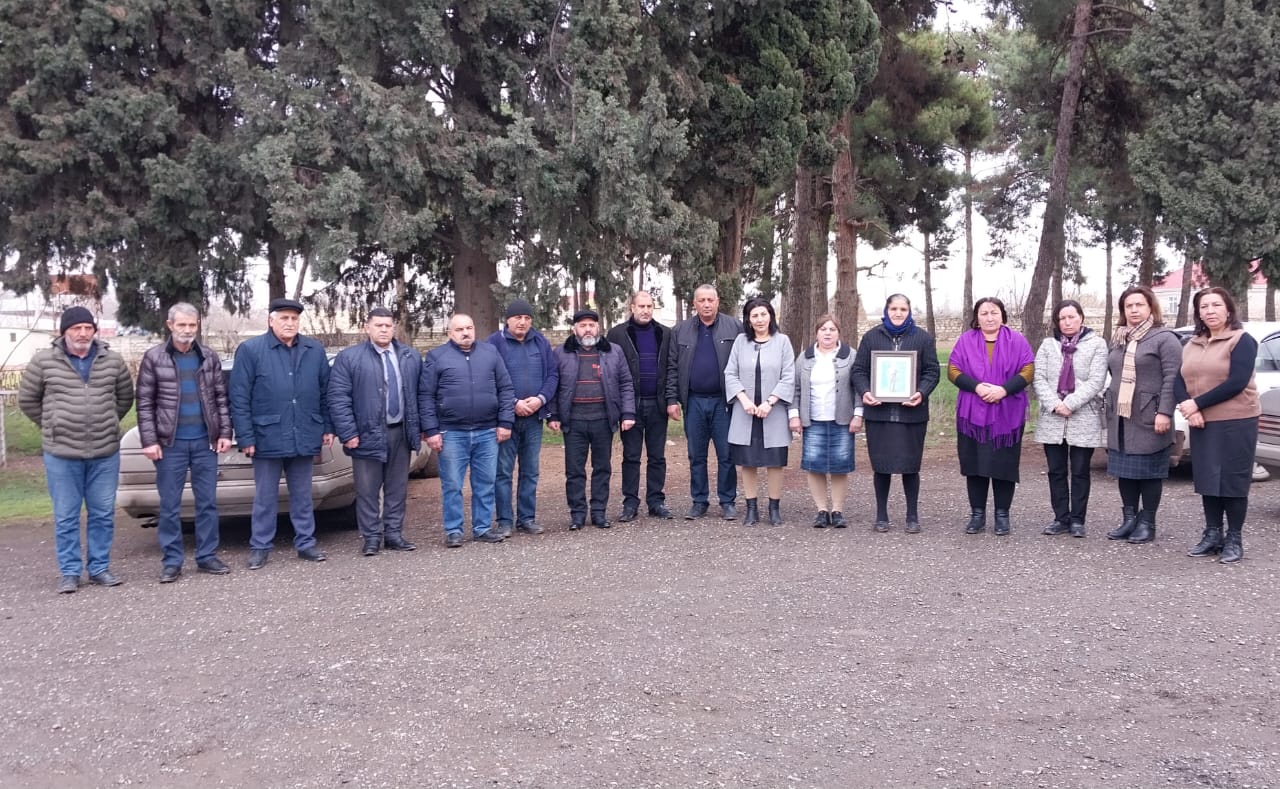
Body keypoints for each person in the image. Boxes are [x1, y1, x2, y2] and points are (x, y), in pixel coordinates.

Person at [19, 306, 135, 593]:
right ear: (64, 332)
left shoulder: (113, 361)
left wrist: (108, 421)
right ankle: (70, 572)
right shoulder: (44, 361)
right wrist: (53, 424)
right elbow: (28, 400)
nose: (82, 333)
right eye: (76, 328)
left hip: (104, 452)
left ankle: (99, 568)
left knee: (102, 514)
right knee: (66, 516)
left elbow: (125, 398)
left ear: (94, 331)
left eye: (87, 328)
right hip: (62, 454)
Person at [229, 297, 335, 569]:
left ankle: (306, 543)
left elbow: (326, 392)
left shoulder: (314, 350)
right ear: (271, 321)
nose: (290, 323)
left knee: (303, 495)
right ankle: (260, 546)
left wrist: (327, 426)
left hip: (304, 432)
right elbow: (239, 398)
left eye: (294, 318)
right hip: (267, 435)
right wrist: (246, 437)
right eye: (284, 318)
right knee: (265, 497)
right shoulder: (251, 350)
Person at [135, 302, 233, 583]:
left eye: (192, 325)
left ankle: (207, 556)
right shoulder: (154, 358)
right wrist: (150, 440)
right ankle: (172, 561)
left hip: (205, 443)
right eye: (182, 325)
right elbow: (144, 402)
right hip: (170, 445)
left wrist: (224, 433)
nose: (187, 330)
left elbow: (220, 398)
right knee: (170, 506)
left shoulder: (209, 357)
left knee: (207, 503)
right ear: (170, 325)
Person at [328, 307, 422, 556]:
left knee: (397, 488)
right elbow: (338, 398)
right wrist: (348, 433)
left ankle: (393, 534)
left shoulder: (409, 356)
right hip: (365, 433)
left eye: (388, 325)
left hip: (400, 432)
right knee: (367, 490)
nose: (383, 329)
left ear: (394, 328)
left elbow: (419, 395)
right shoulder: (349, 358)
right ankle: (371, 537)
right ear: (367, 327)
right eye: (378, 325)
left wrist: (420, 428)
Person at [1176, 287, 1260, 563]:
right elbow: (1178, 378)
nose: (1210, 311)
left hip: (1237, 421)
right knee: (1208, 479)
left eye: (1216, 305)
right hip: (1203, 422)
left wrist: (1197, 404)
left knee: (1233, 481)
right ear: (1198, 313)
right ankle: (1212, 534)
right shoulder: (1192, 343)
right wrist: (1189, 408)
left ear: (1228, 309)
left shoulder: (1241, 340)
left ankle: (1234, 538)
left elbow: (1236, 382)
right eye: (1204, 307)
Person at [420, 313, 514, 547]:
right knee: (452, 484)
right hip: (452, 433)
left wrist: (505, 422)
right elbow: (426, 395)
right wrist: (431, 430)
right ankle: (454, 530)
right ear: (450, 333)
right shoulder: (437, 356)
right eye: (459, 329)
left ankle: (482, 528)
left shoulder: (490, 353)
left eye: (469, 328)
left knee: (486, 482)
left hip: (487, 431)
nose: (465, 333)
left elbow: (505, 388)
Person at [852, 295, 941, 534]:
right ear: (886, 310)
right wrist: (866, 391)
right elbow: (859, 370)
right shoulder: (871, 337)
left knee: (910, 466)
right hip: (879, 414)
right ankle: (881, 515)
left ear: (909, 312)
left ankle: (912, 516)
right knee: (881, 467)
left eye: (903, 309)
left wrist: (921, 392)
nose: (898, 313)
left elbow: (932, 371)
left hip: (912, 415)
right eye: (894, 308)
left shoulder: (923, 338)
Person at [948, 297, 1034, 536]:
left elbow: (1028, 370)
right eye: (984, 313)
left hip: (1007, 415)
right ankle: (977, 515)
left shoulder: (1017, 340)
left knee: (1003, 465)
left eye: (994, 312)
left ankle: (1002, 515)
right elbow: (952, 371)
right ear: (977, 318)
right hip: (972, 416)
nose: (989, 317)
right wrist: (977, 387)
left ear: (1002, 316)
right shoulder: (965, 340)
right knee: (974, 465)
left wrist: (1003, 390)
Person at [1103, 285, 1183, 544]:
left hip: (1150, 415)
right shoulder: (1119, 338)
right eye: (1129, 306)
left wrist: (1165, 412)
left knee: (1149, 472)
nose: (1134, 310)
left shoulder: (1165, 339)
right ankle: (1129, 519)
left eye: (1139, 305)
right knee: (1125, 471)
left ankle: (1147, 522)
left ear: (1151, 307)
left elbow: (1173, 378)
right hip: (1121, 417)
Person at [550, 309, 636, 529]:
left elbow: (626, 383)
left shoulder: (614, 352)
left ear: (598, 328)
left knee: (602, 468)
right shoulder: (561, 353)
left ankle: (599, 512)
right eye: (583, 325)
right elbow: (553, 385)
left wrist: (627, 413)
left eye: (591, 325)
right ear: (574, 329)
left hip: (603, 419)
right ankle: (577, 514)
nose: (587, 329)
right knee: (574, 471)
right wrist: (554, 415)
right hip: (574, 421)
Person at [666, 284, 743, 520]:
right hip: (694, 402)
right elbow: (672, 367)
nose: (706, 304)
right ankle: (699, 501)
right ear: (694, 303)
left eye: (710, 300)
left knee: (726, 455)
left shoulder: (735, 327)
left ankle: (727, 501)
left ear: (717, 302)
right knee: (696, 455)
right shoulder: (680, 331)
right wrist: (672, 399)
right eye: (702, 300)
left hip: (724, 402)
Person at [1032, 300, 1108, 538]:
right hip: (1053, 418)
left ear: (1081, 318)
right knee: (1056, 471)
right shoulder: (1047, 345)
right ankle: (1060, 518)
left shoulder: (1097, 344)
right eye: (1062, 318)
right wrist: (1056, 405)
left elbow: (1096, 380)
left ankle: (1077, 519)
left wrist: (1070, 403)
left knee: (1080, 470)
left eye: (1071, 317)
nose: (1067, 322)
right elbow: (1039, 378)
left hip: (1083, 415)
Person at [486, 298, 559, 537]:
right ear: (507, 320)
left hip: (534, 418)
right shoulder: (494, 344)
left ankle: (527, 518)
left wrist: (540, 399)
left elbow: (552, 375)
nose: (523, 322)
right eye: (518, 317)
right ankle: (504, 520)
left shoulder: (541, 342)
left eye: (527, 318)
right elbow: (489, 378)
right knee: (503, 471)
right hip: (506, 419)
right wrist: (513, 403)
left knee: (530, 471)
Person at [724, 297, 795, 526]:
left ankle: (774, 508)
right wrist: (743, 400)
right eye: (754, 315)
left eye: (764, 314)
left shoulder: (782, 341)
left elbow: (788, 376)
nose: (760, 319)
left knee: (775, 461)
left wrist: (770, 402)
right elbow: (730, 373)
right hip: (746, 411)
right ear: (748, 319)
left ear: (771, 316)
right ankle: (751, 508)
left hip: (772, 412)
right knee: (748, 461)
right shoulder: (740, 342)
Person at [607, 290, 675, 521]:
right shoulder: (617, 334)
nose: (646, 310)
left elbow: (670, 368)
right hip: (630, 406)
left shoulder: (664, 333)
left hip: (657, 404)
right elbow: (611, 370)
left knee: (657, 456)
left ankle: (656, 501)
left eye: (649, 306)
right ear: (632, 308)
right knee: (631, 456)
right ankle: (630, 503)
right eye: (641, 306)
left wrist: (670, 400)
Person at [789, 314, 862, 528]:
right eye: (823, 329)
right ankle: (821, 510)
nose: (827, 333)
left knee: (840, 466)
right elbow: (795, 388)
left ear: (838, 333)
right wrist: (794, 415)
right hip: (813, 420)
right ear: (816, 333)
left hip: (843, 419)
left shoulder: (851, 356)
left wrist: (858, 414)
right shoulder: (804, 358)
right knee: (815, 465)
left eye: (832, 329)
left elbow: (859, 388)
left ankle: (837, 510)